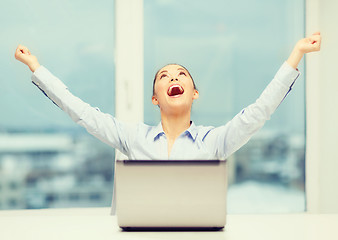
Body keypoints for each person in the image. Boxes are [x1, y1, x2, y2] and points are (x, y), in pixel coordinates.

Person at [14, 32, 321, 160]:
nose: (174, 77)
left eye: (181, 74)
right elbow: (81, 112)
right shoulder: (133, 138)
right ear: (155, 99)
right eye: (164, 76)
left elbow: (259, 111)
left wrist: (297, 53)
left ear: (195, 93)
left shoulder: (215, 141)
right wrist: (35, 67)